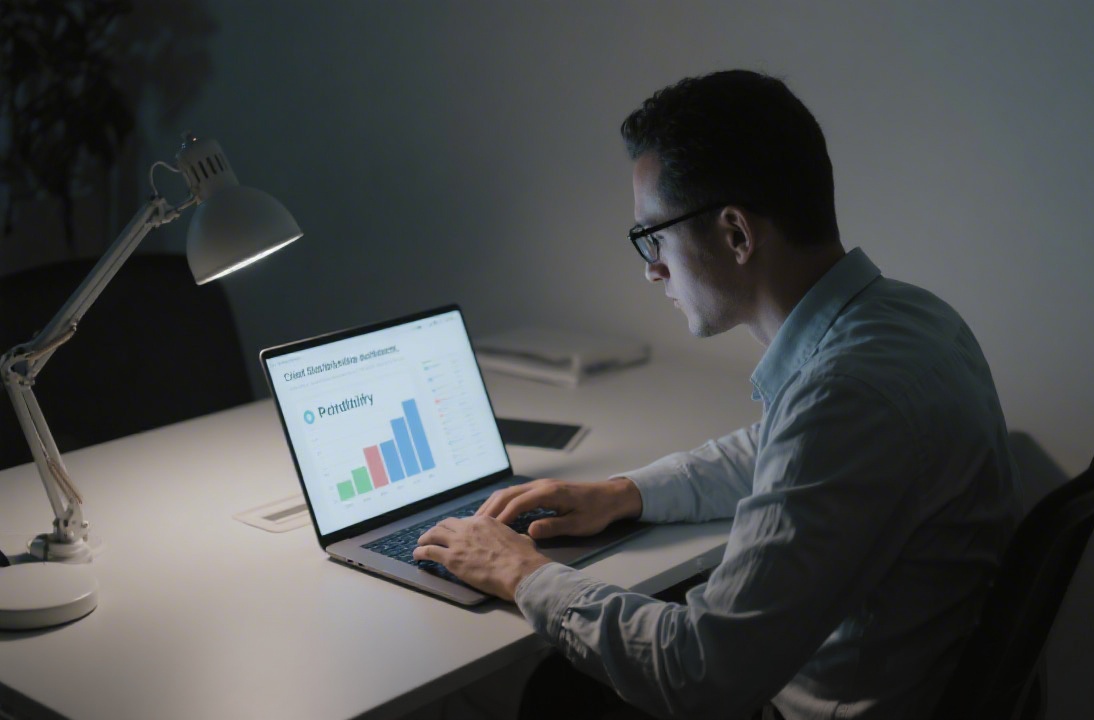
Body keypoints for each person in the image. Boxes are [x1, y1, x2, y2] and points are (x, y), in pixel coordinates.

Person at [414, 70, 1022, 719]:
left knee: (543, 690)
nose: (652, 267)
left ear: (736, 233)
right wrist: (626, 493)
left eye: (654, 234)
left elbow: (699, 675)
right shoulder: (910, 320)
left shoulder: (847, 394)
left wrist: (523, 574)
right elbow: (778, 451)